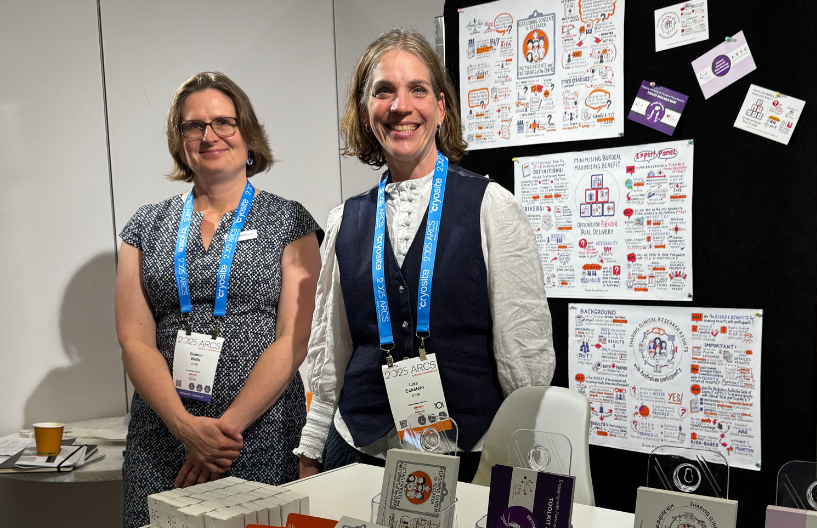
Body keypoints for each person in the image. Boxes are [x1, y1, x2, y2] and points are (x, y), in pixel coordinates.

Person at [294, 28, 554, 482]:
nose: (400, 106)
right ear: (365, 108)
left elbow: (524, 354)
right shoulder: (344, 220)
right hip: (357, 451)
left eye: (417, 89)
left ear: (441, 105)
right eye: (384, 91)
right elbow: (329, 349)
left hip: (471, 455)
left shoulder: (493, 206)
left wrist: (525, 459)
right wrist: (312, 447)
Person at [115, 72, 321, 528]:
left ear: (247, 134)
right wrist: (187, 429)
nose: (209, 135)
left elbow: (294, 338)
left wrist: (222, 434)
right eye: (194, 125)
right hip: (163, 436)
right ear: (180, 140)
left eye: (223, 122)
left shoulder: (290, 220)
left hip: (258, 434)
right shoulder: (143, 227)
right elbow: (134, 340)